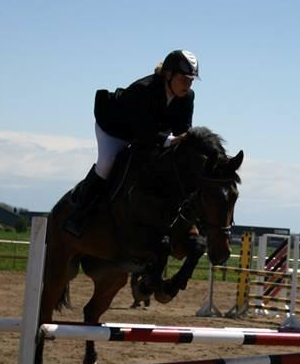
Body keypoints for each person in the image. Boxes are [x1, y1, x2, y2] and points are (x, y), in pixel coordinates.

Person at [64, 49, 200, 237]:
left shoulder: (187, 97)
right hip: (115, 129)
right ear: (168, 74)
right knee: (107, 163)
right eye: (184, 78)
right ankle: (79, 214)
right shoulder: (144, 90)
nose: (188, 84)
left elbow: (183, 129)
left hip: (150, 134)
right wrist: (171, 140)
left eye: (191, 80)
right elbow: (143, 132)